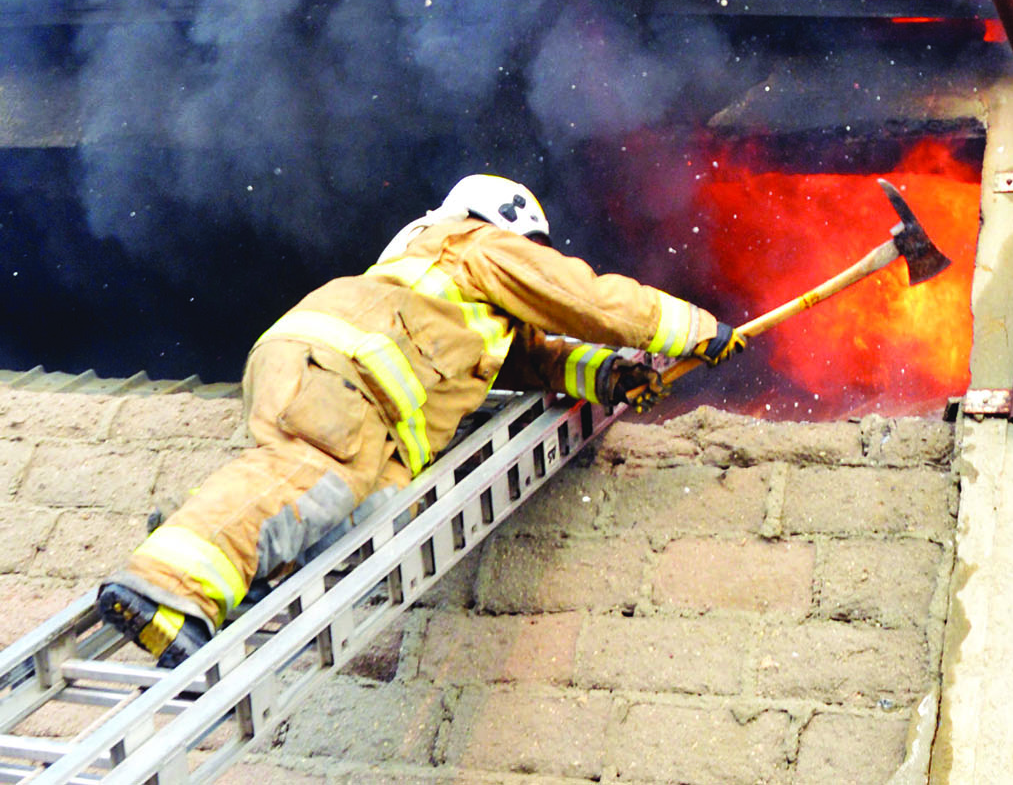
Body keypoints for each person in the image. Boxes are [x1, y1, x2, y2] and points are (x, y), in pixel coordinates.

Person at [97, 173, 741, 666]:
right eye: (533, 249)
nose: (535, 260)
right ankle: (167, 580)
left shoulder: (453, 293)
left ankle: (226, 566)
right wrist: (692, 328)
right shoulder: (472, 241)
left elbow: (526, 360)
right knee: (309, 467)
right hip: (342, 373)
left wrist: (607, 376)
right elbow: (585, 299)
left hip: (347, 389)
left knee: (361, 508)